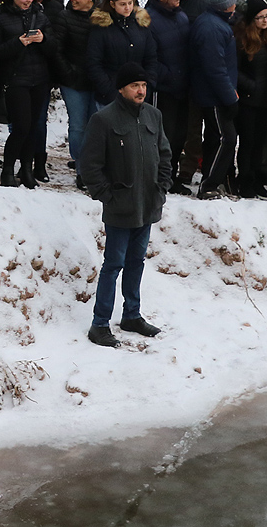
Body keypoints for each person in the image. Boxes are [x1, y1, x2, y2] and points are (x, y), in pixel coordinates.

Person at [78, 62, 169, 349]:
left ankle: (131, 315)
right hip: (120, 205)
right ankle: (100, 323)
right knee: (113, 264)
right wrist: (106, 195)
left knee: (136, 262)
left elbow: (165, 155)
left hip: (148, 204)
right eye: (134, 86)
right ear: (121, 89)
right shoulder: (104, 119)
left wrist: (161, 188)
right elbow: (89, 165)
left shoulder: (154, 116)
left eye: (143, 85)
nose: (141, 90)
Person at [0, 0, 58, 188]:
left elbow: (54, 48)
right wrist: (17, 43)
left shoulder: (40, 16)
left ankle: (26, 168)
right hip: (15, 79)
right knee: (21, 126)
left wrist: (43, 40)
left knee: (34, 127)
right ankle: (7, 168)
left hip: (39, 79)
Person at [190, 0, 239, 199]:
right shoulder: (212, 27)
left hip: (215, 93)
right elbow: (215, 68)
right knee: (226, 138)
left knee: (214, 138)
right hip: (214, 95)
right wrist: (230, 97)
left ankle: (210, 181)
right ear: (225, 4)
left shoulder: (216, 22)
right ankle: (209, 185)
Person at [145, 0, 192, 194]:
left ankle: (170, 176)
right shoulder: (150, 20)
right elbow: (150, 59)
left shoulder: (181, 16)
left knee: (179, 136)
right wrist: (171, 76)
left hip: (183, 88)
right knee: (163, 136)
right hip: (163, 90)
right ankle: (157, 177)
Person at [234, 0, 267, 199]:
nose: (264, 20)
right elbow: (235, 70)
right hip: (248, 99)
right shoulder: (242, 39)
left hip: (265, 98)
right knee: (248, 142)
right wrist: (251, 86)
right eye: (260, 17)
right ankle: (245, 180)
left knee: (261, 141)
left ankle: (257, 180)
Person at [87, 0, 159, 107]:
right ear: (112, 4)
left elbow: (151, 58)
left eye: (130, 3)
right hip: (110, 97)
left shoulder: (141, 25)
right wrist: (109, 90)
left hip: (139, 95)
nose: (127, 8)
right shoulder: (101, 28)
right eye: (122, 4)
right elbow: (94, 63)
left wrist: (148, 85)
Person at [58, 0, 99, 171]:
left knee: (95, 125)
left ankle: (93, 166)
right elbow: (57, 50)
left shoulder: (100, 18)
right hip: (73, 81)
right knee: (77, 125)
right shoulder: (64, 17)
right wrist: (68, 73)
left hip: (95, 80)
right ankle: (81, 166)